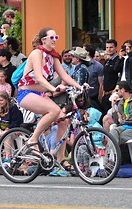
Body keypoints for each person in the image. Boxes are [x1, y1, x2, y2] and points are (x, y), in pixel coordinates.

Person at [17, 27, 83, 172]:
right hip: (25, 93)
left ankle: (59, 157)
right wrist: (53, 89)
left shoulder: (53, 56)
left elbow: (65, 76)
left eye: (56, 37)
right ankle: (33, 139)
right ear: (43, 40)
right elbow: (39, 78)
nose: (54, 40)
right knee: (54, 110)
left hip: (39, 95)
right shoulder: (36, 54)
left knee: (64, 120)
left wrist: (80, 86)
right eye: (51, 37)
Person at [0, 91, 23, 164]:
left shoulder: (13, 108)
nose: (0, 102)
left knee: (6, 135)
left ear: (6, 100)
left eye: (1, 100)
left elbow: (16, 121)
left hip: (12, 130)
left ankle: (8, 157)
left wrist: (7, 130)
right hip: (1, 129)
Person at [109, 81, 132, 145]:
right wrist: (113, 105)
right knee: (112, 132)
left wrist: (121, 121)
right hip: (124, 126)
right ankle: (112, 154)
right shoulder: (121, 102)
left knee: (119, 137)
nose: (116, 93)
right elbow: (116, 121)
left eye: (117, 90)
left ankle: (113, 154)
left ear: (122, 90)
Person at [101, 39, 123, 115]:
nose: (109, 49)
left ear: (116, 48)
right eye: (107, 47)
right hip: (106, 94)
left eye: (111, 47)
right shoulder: (107, 61)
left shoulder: (119, 60)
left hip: (114, 94)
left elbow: (120, 76)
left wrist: (115, 90)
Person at [84, 44, 104, 112]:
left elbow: (101, 83)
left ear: (87, 52)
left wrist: (100, 97)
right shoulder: (83, 65)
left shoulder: (98, 66)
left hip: (93, 97)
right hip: (83, 96)